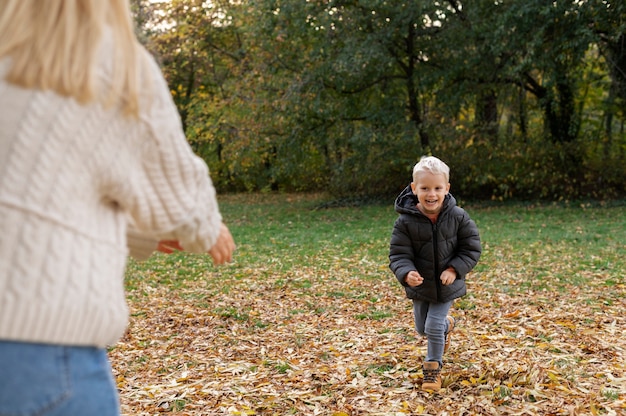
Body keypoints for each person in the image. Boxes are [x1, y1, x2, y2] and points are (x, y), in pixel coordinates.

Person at [0, 1, 236, 415]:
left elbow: (31, 194)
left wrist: (136, 234)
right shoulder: (106, 62)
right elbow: (180, 201)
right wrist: (207, 227)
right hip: (39, 353)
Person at [389, 156, 481, 391]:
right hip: (420, 285)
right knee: (422, 328)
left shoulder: (458, 216)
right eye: (425, 188)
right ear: (414, 189)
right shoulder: (405, 222)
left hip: (446, 284)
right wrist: (406, 272)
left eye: (438, 188)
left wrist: (454, 269)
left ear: (447, 189)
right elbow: (398, 255)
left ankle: (432, 370)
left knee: (432, 326)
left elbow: (471, 248)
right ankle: (447, 326)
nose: (432, 194)